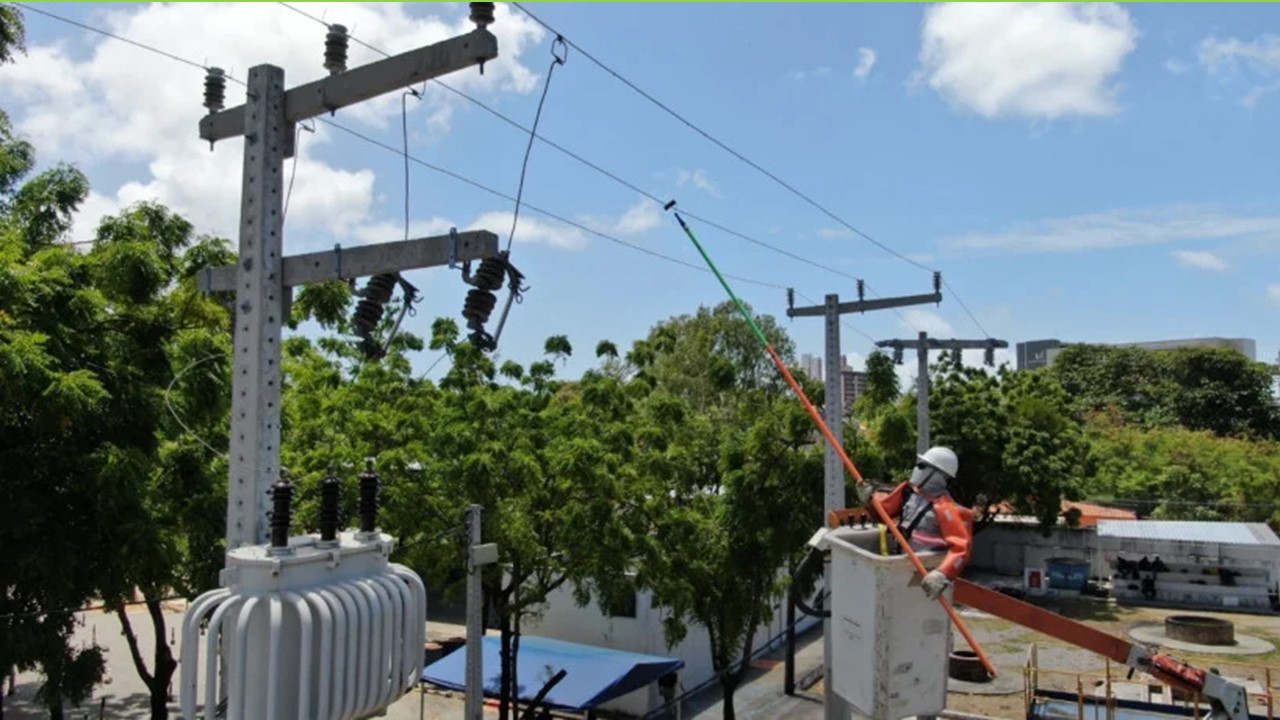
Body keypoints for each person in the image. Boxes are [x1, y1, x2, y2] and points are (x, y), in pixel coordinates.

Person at [858, 446, 974, 601]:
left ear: (938, 475)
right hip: (899, 565)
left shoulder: (946, 509)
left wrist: (942, 574)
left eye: (922, 466)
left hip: (923, 575)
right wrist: (869, 500)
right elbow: (882, 514)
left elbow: (961, 548)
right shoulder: (909, 493)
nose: (916, 469)